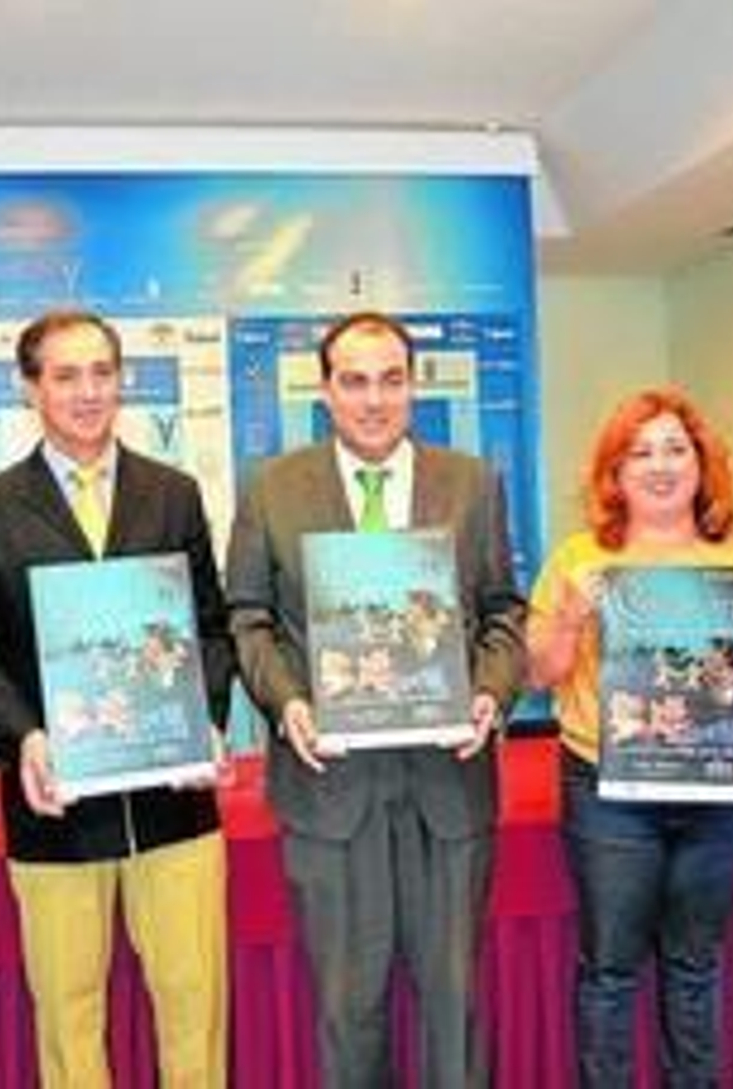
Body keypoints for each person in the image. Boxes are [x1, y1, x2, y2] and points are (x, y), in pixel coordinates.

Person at [225, 310, 525, 1088]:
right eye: (354, 381)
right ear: (325, 390)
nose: (374, 399)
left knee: (454, 1005)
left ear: (413, 385)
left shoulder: (471, 482)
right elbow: (248, 618)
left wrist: (491, 693)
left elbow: (503, 610)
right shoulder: (272, 488)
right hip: (329, 788)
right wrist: (287, 703)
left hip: (448, 783)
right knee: (346, 1008)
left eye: (391, 380)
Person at [0, 309, 234, 1088]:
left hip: (174, 800)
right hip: (55, 803)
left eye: (102, 372)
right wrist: (25, 739)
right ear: (29, 387)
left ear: (122, 381)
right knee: (69, 1017)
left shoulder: (172, 493)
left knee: (195, 1004)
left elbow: (210, 627)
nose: (88, 391)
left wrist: (204, 719)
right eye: (66, 375)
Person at [526, 387, 733, 1086]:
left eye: (675, 449)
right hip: (608, 791)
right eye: (640, 452)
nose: (660, 466)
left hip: (715, 788)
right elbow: (539, 672)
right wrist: (570, 615)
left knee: (695, 964)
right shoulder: (578, 557)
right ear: (615, 473)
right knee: (611, 968)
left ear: (701, 462)